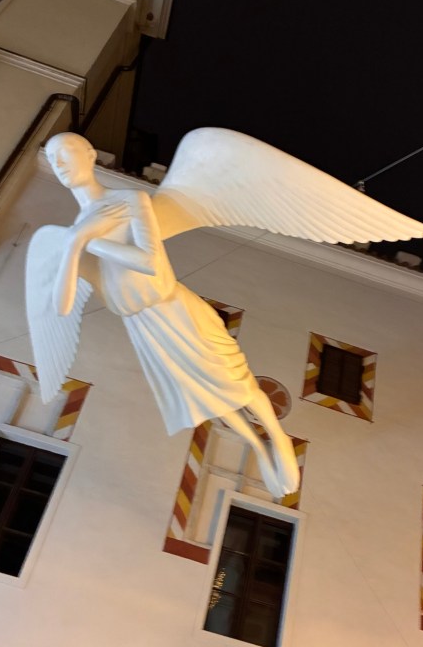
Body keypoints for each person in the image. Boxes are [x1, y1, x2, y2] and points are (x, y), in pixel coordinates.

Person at [42, 132, 300, 499]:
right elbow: (62, 306)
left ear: (90, 154)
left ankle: (276, 435)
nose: (59, 163)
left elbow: (150, 262)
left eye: (65, 152)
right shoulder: (72, 235)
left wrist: (90, 241)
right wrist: (72, 245)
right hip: (143, 326)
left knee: (233, 379)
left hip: (175, 308)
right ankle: (257, 447)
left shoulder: (128, 201)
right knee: (206, 395)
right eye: (52, 158)